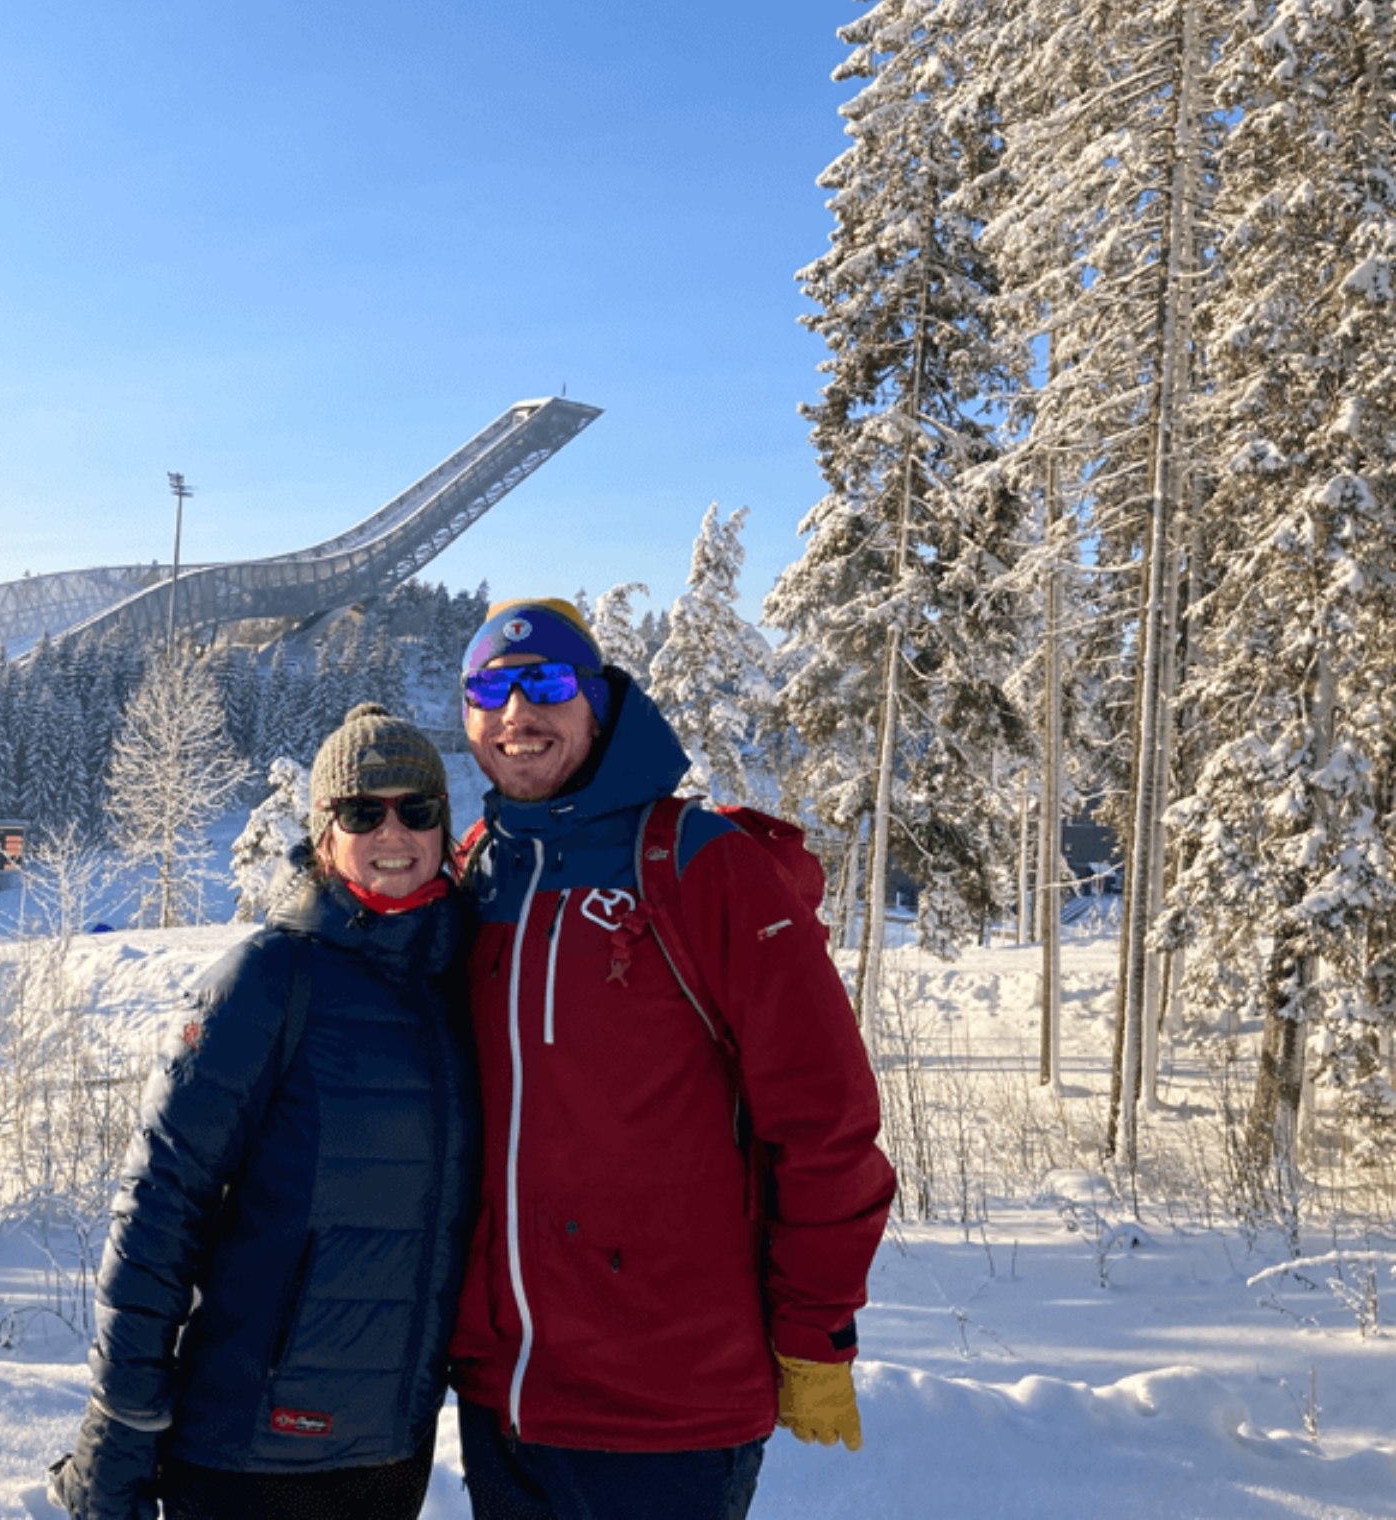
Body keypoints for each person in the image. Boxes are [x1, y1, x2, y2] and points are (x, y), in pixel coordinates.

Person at [446, 599, 896, 1520]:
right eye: (489, 688)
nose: (516, 714)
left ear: (599, 702)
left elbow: (824, 1120)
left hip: (669, 1405)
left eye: (546, 683)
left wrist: (817, 1330)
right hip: (506, 1401)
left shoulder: (701, 865)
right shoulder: (477, 873)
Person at [48, 703, 478, 1520]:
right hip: (250, 1450)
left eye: (416, 809)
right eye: (362, 810)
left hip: (391, 1449)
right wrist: (125, 1420)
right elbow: (158, 1210)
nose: (393, 831)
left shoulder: (459, 987)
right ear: (324, 835)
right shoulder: (268, 979)